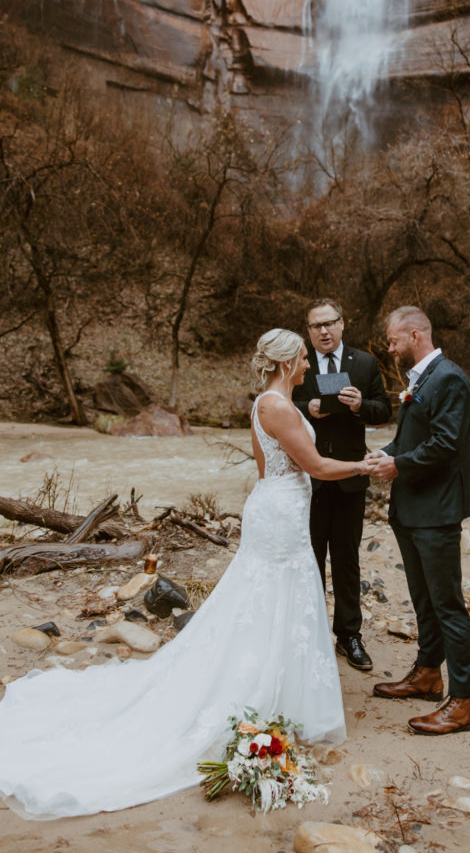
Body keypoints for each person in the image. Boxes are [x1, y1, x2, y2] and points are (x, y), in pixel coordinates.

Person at [0, 329, 370, 819]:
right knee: (277, 597)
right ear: (285, 364)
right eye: (303, 358)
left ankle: (272, 689)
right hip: (281, 514)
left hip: (272, 505)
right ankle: (260, 694)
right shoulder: (279, 407)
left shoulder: (266, 403)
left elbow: (268, 469)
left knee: (264, 600)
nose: (308, 364)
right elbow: (319, 467)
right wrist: (368, 465)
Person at [367, 306, 470, 736]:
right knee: (423, 598)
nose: (390, 348)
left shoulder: (449, 378)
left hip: (436, 510)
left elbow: (447, 445)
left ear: (415, 334)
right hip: (412, 508)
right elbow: (413, 437)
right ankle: (429, 673)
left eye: (394, 341)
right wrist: (385, 454)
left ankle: (464, 701)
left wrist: (398, 465)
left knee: (447, 603)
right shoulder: (421, 379)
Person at [292, 299, 391, 672]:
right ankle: (312, 633)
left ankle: (349, 635)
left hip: (351, 475)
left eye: (329, 323)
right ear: (308, 331)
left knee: (347, 558)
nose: (323, 331)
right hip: (308, 476)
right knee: (310, 558)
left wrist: (360, 405)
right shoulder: (298, 363)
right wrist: (308, 408)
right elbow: (280, 403)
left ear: (342, 323)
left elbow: (384, 411)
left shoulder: (363, 363)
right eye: (316, 326)